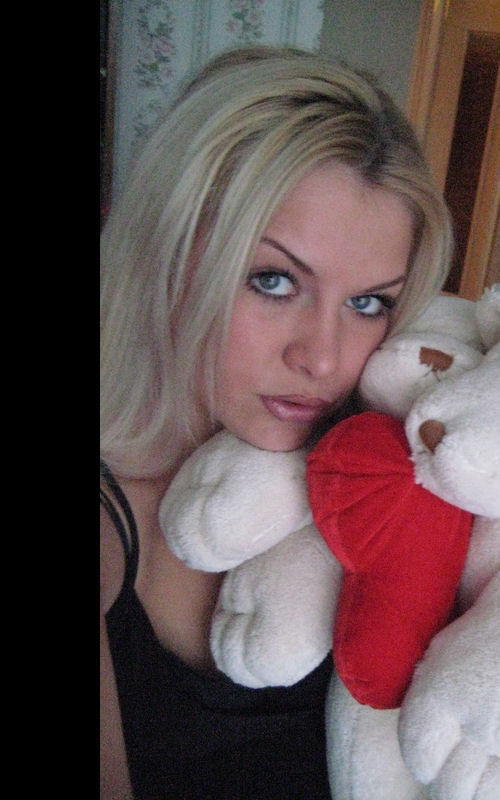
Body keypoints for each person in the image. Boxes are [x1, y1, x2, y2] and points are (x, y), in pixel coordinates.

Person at [100, 46, 453, 800]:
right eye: (273, 281)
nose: (322, 358)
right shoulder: (111, 523)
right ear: (170, 259)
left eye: (368, 303)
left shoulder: (398, 475)